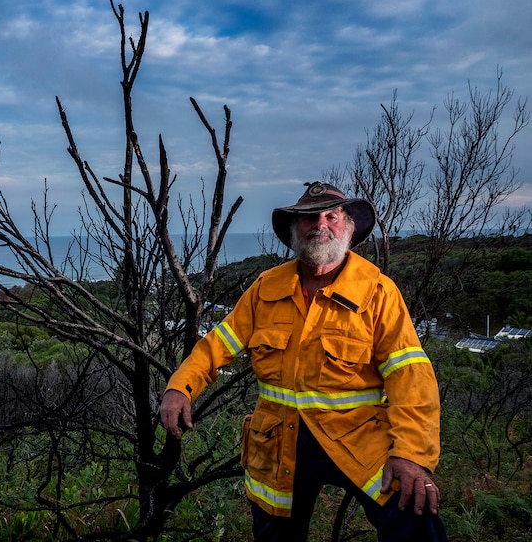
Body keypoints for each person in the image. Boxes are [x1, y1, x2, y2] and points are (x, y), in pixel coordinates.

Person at [160, 181, 447, 541]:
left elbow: (410, 376)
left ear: (349, 227)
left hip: (357, 436)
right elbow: (215, 346)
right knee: (274, 533)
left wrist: (411, 454)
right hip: (278, 438)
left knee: (414, 513)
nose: (320, 225)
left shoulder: (377, 292)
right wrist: (179, 387)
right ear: (295, 230)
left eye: (331, 216)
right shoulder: (265, 288)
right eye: (309, 218)